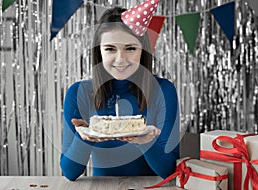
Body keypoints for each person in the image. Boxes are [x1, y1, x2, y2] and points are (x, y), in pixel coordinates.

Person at [60, 7, 180, 181]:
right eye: (110, 49)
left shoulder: (164, 90)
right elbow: (69, 172)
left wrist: (145, 142)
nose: (120, 58)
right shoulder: (79, 93)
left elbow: (170, 171)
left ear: (143, 51)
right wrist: (85, 135)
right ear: (99, 52)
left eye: (130, 48)